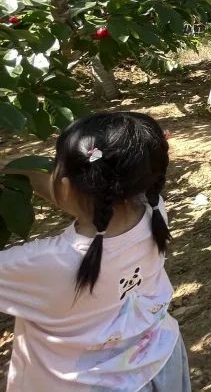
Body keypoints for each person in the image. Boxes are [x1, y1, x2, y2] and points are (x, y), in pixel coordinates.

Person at [0, 112, 190, 390]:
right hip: (157, 363)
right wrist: (13, 168)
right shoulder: (155, 212)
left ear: (65, 187)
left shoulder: (41, 263)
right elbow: (79, 194)